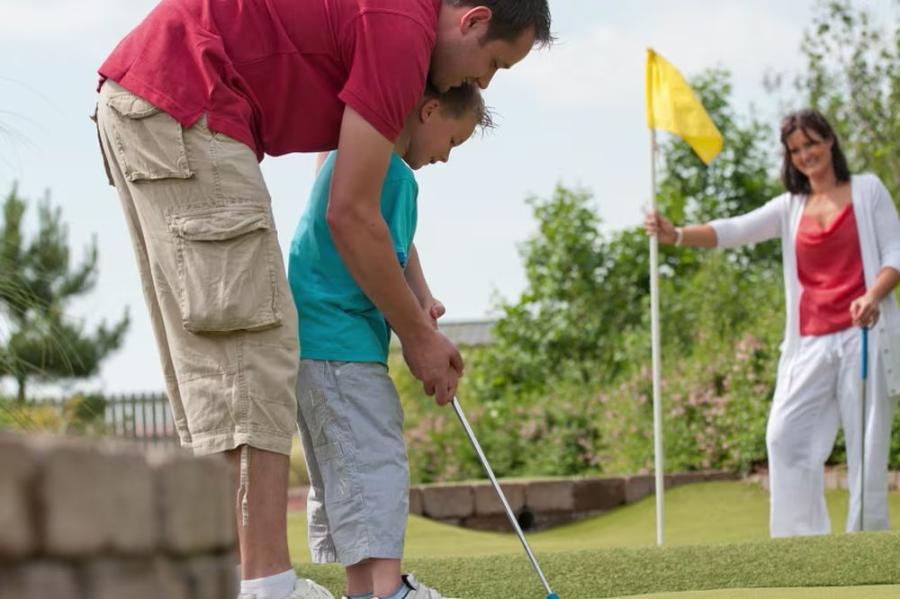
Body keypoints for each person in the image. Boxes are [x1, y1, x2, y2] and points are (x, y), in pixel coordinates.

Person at [93, 1, 552, 598]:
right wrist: (417, 337)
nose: (483, 83)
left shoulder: (392, 33)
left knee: (219, 362)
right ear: (472, 19)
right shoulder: (403, 31)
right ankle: (266, 589)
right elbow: (349, 213)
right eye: (493, 63)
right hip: (187, 100)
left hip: (152, 99)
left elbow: (352, 192)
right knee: (252, 352)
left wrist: (415, 302)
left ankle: (239, 581)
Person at [645, 108, 900, 538]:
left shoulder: (867, 190)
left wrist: (873, 295)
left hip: (863, 334)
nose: (805, 154)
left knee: (866, 444)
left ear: (830, 142)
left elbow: (895, 251)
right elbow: (736, 229)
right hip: (809, 343)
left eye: (812, 143)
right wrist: (678, 235)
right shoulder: (791, 207)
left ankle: (866, 541)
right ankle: (800, 544)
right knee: (783, 436)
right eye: (796, 149)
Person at [289, 82, 491, 599]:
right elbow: (377, 251)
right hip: (344, 346)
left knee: (348, 469)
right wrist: (421, 337)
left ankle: (368, 591)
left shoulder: (356, 159)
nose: (445, 157)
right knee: (375, 461)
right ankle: (388, 592)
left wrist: (420, 297)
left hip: (314, 344)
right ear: (428, 110)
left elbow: (392, 247)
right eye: (452, 140)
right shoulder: (398, 176)